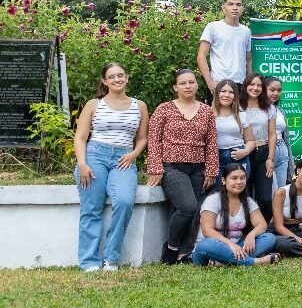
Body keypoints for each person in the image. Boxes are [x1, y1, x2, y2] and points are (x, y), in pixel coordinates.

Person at [74, 62, 148, 272]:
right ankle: (89, 261)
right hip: (94, 155)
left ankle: (111, 258)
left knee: (124, 201)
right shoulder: (93, 104)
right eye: (112, 76)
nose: (117, 79)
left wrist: (134, 154)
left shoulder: (139, 105)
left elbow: (142, 138)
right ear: (104, 81)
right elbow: (80, 138)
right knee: (92, 209)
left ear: (127, 78)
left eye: (121, 75)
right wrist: (82, 163)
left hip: (124, 158)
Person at [147, 69, 219, 264]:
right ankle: (170, 248)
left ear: (197, 85)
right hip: (173, 167)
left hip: (199, 168)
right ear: (175, 87)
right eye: (183, 83)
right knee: (188, 206)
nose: (188, 86)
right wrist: (155, 168)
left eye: (191, 82)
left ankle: (184, 253)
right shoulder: (165, 109)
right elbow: (153, 139)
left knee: (196, 211)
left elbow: (212, 142)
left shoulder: (206, 111)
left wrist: (211, 170)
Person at [191, 164, 280, 266]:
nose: (239, 182)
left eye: (242, 178)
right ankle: (254, 262)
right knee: (205, 245)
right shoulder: (213, 200)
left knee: (269, 238)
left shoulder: (248, 201)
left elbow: (262, 225)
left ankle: (224, 261)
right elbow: (207, 231)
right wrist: (231, 245)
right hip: (210, 249)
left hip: (238, 246)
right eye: (234, 178)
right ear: (224, 180)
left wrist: (251, 235)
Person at [197, 0, 252, 97]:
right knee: (215, 114)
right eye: (230, 4)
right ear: (223, 8)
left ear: (242, 8)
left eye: (238, 5)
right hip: (218, 83)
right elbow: (201, 55)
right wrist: (209, 82)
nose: (235, 8)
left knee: (238, 114)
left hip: (239, 84)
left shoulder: (246, 31)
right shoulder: (213, 27)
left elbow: (249, 59)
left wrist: (248, 84)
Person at [239, 74, 276, 223]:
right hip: (243, 154)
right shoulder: (238, 106)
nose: (255, 88)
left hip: (263, 152)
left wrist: (270, 158)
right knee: (244, 196)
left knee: (265, 198)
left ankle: (263, 227)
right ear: (245, 86)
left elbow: (272, 134)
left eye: (259, 85)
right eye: (252, 85)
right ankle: (246, 230)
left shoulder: (268, 107)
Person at [212, 79, 254, 184]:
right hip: (216, 158)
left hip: (239, 157)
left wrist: (245, 152)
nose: (227, 95)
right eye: (223, 91)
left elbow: (251, 140)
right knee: (219, 193)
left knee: (238, 192)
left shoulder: (242, 115)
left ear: (235, 95)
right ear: (217, 93)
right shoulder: (208, 115)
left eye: (231, 92)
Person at [263, 77, 293, 191]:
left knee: (281, 191)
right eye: (272, 90)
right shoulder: (258, 109)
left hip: (282, 149)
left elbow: (287, 138)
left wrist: (291, 162)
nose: (276, 93)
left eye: (279, 90)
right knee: (271, 191)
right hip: (268, 150)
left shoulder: (280, 110)